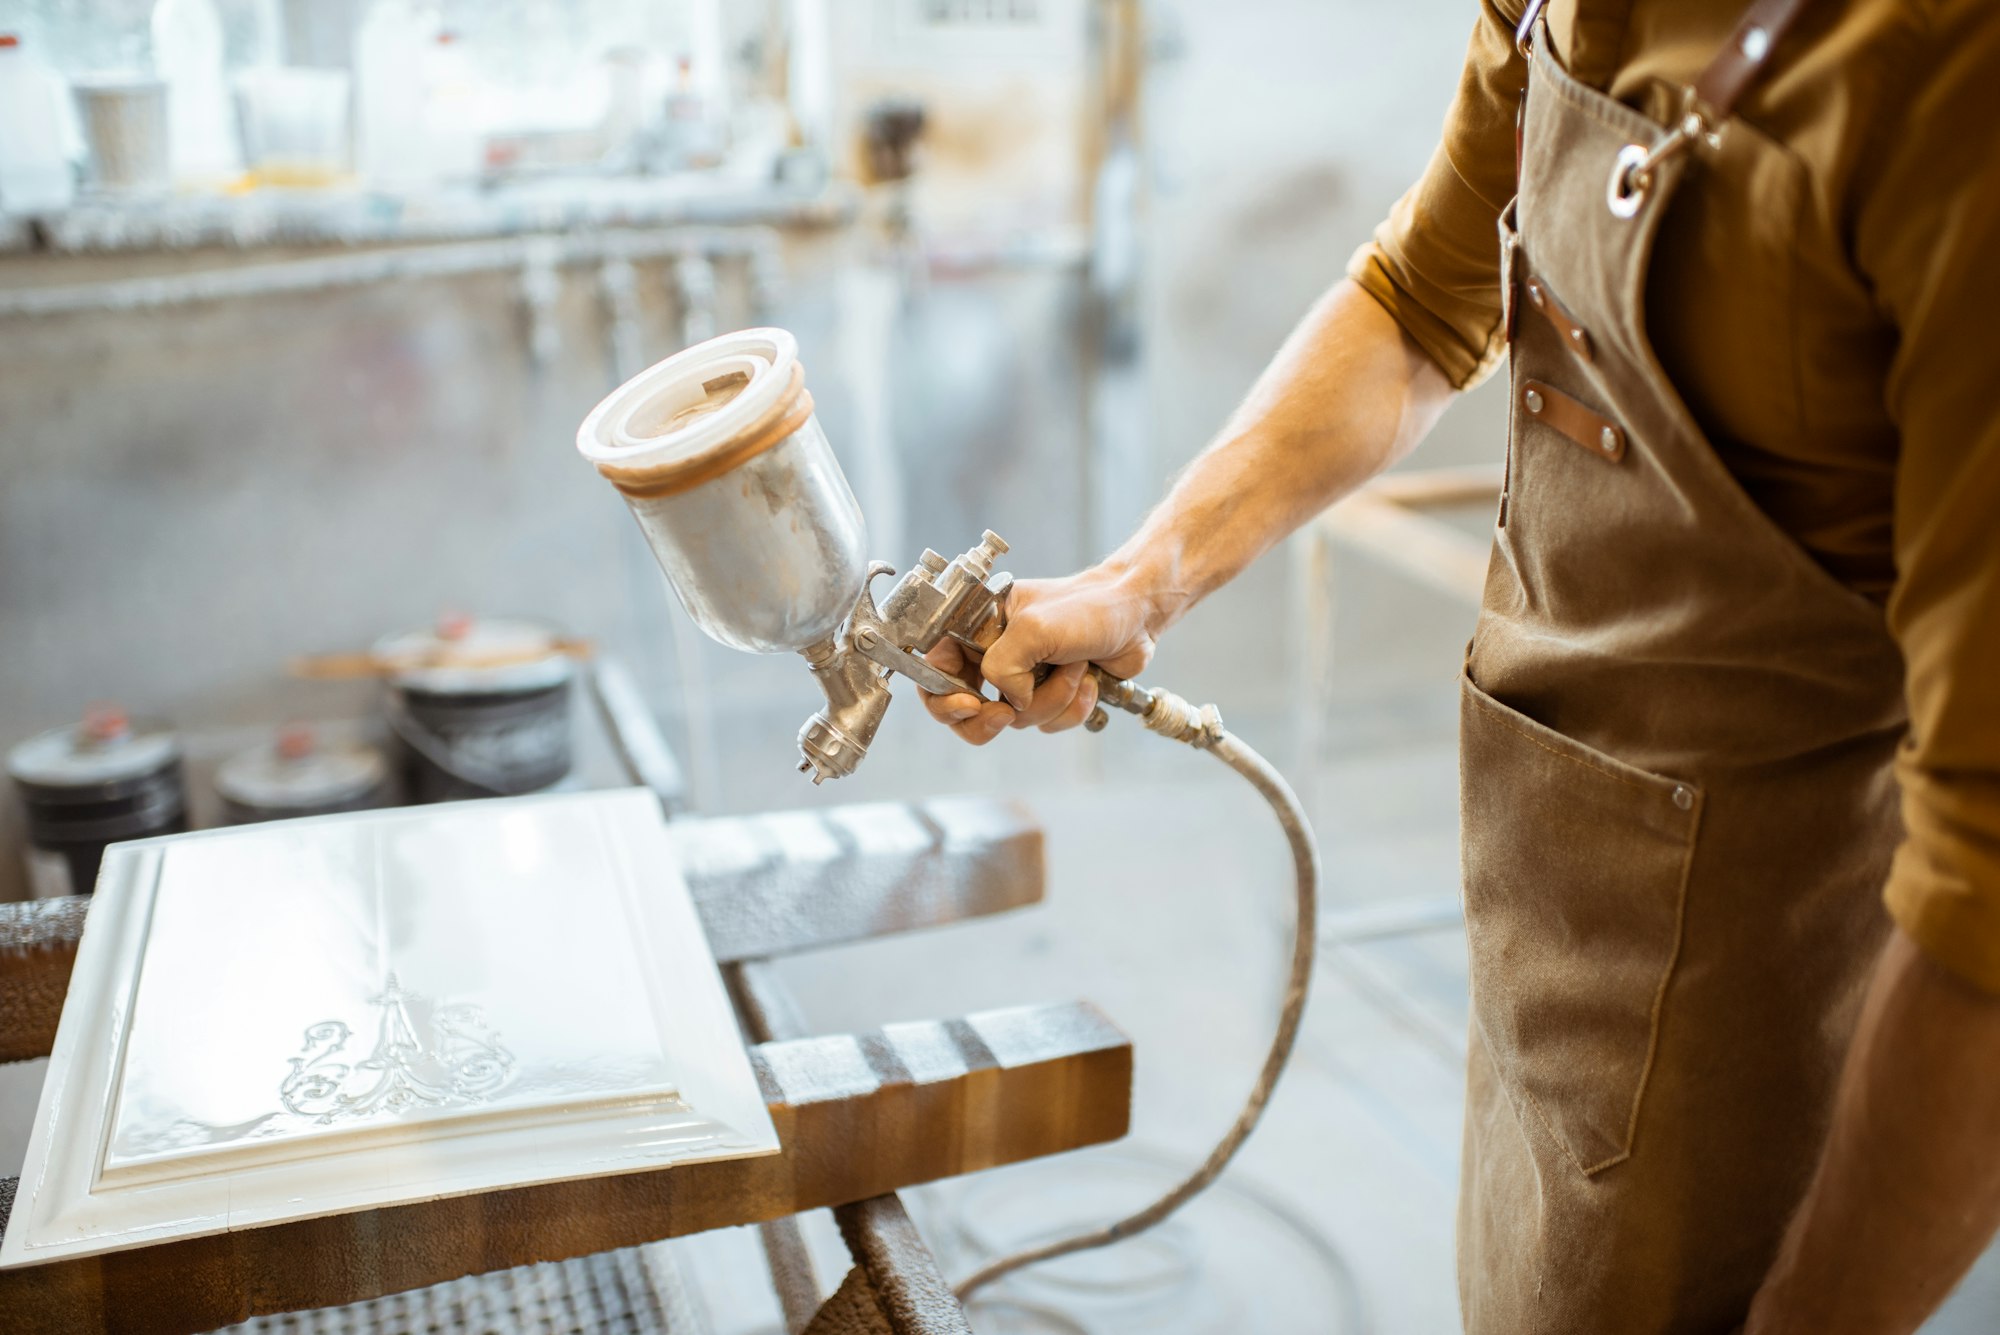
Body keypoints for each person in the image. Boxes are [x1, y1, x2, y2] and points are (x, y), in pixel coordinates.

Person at [917, 1, 2000, 1331]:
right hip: (1554, 894)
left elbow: (1988, 899)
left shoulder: (1945, 72)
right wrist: (1141, 582)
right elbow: (1417, 301)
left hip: (1762, 992)